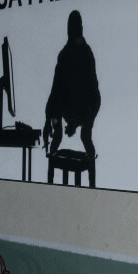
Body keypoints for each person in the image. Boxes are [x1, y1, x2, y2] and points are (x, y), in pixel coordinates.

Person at [44, 9, 101, 162]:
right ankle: (55, 143)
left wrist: (77, 124)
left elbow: (92, 95)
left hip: (87, 106)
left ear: (80, 30)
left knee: (85, 136)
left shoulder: (86, 54)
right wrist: (48, 121)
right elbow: (55, 89)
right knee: (55, 113)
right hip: (70, 105)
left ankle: (90, 155)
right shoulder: (64, 55)